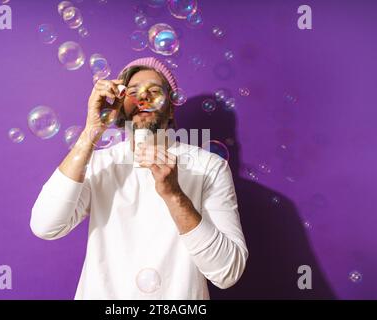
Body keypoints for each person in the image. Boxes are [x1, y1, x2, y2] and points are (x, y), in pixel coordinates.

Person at [30, 57, 248, 299]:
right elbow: (45, 226)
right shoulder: (99, 163)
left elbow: (227, 272)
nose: (143, 99)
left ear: (171, 107)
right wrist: (91, 131)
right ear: (119, 105)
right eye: (132, 93)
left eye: (154, 92)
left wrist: (174, 195)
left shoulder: (209, 167)